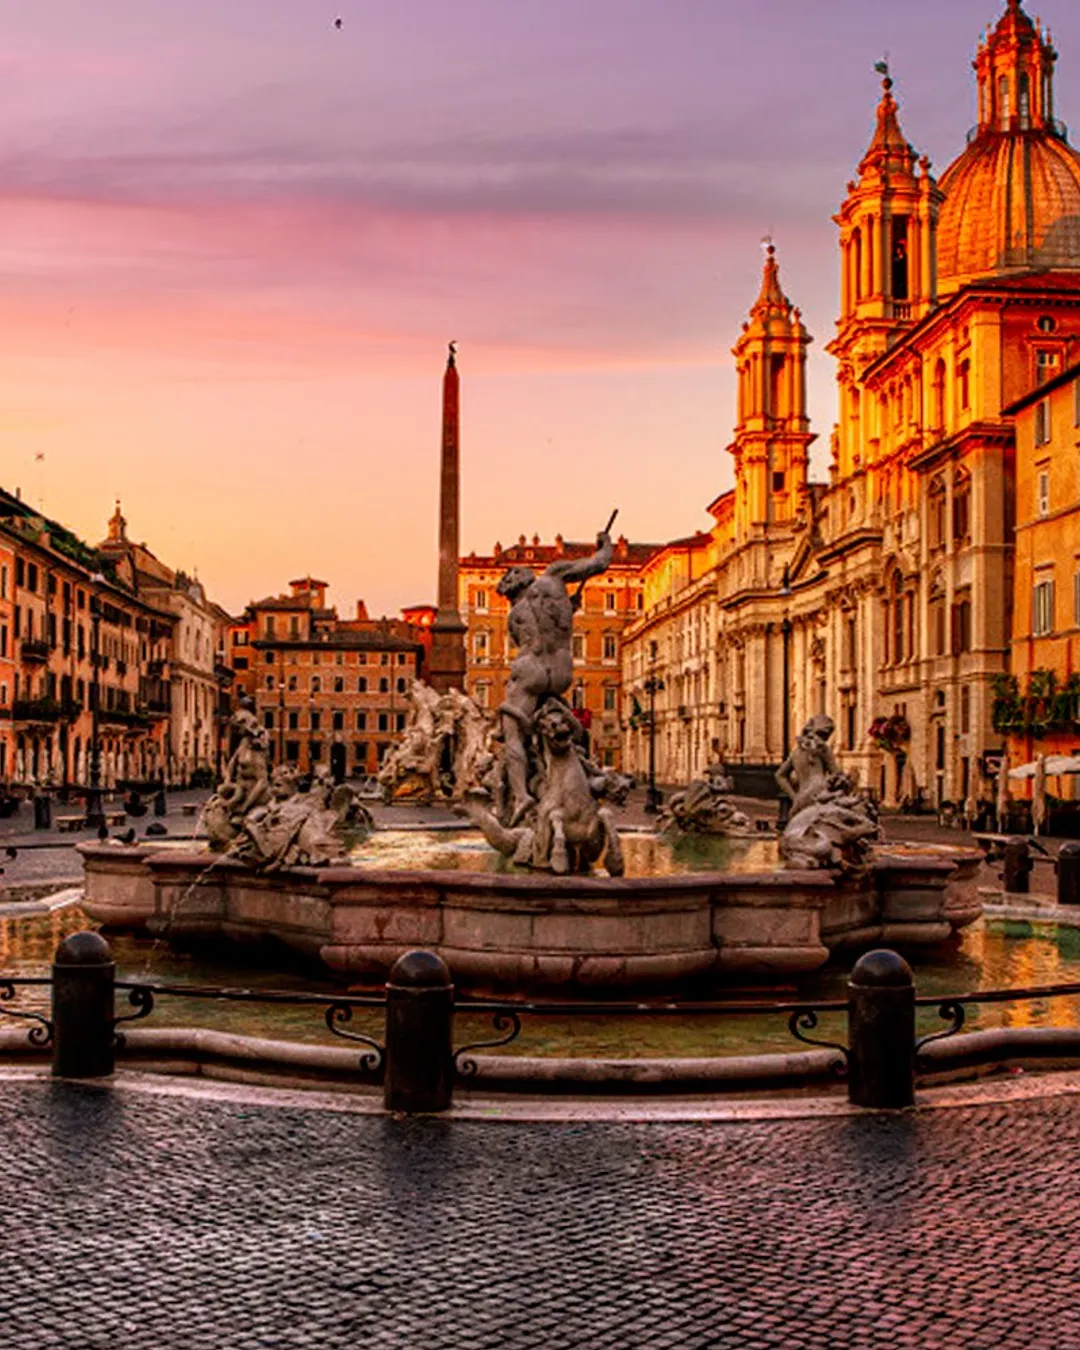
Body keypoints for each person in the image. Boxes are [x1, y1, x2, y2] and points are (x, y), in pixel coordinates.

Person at [497, 529, 614, 824]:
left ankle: (522, 795)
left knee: (512, 733)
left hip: (531, 671)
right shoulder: (554, 577)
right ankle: (577, 775)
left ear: (511, 592)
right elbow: (599, 563)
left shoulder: (514, 615)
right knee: (557, 720)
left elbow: (524, 642)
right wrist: (604, 545)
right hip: (561, 673)